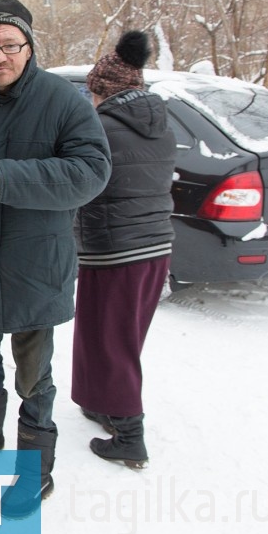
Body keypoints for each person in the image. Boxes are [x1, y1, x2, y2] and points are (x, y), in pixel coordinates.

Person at [0, 0, 111, 517]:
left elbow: (92, 172)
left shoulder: (63, 101)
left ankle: (36, 469)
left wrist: (10, 176)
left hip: (35, 263)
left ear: (29, 48)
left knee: (34, 372)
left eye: (10, 45)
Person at [72, 30, 175, 469]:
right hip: (154, 247)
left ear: (103, 89)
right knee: (115, 334)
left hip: (117, 249)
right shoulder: (160, 122)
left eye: (91, 91)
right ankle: (104, 403)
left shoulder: (105, 128)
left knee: (112, 340)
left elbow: (83, 182)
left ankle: (130, 434)